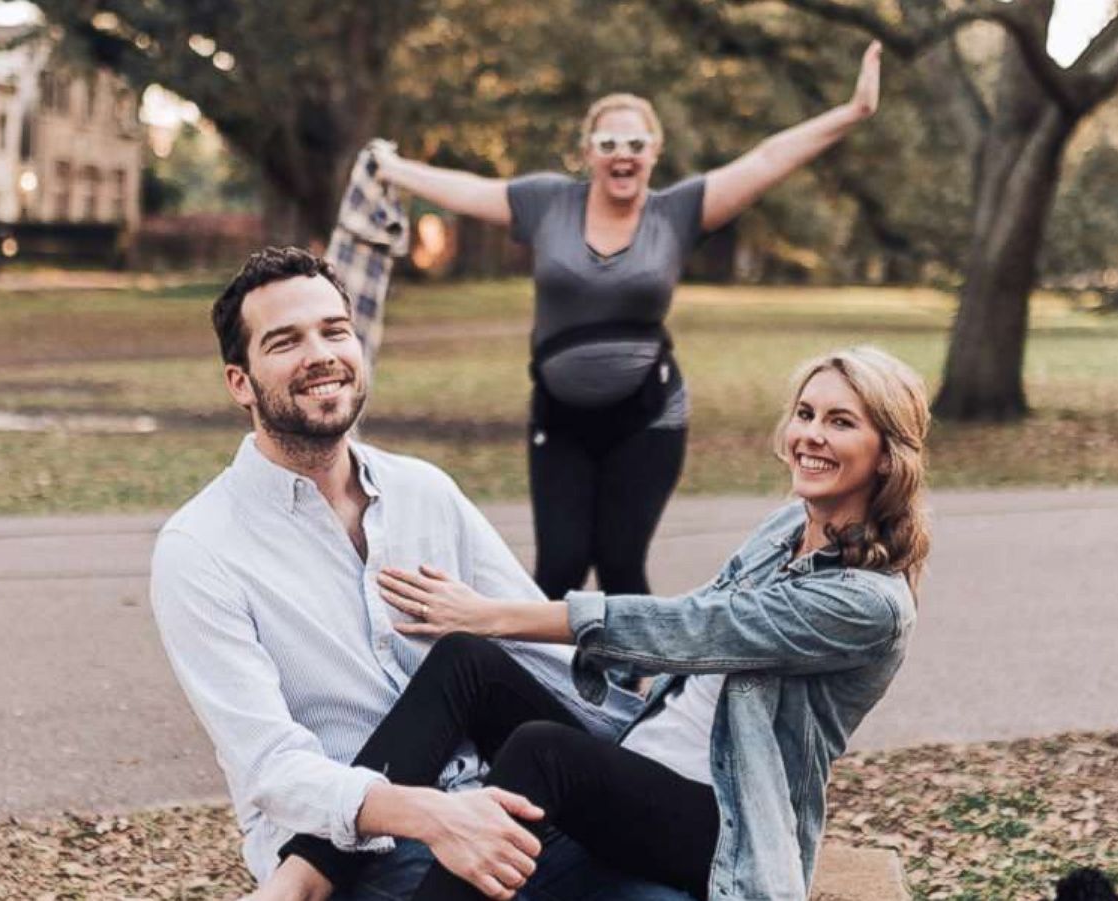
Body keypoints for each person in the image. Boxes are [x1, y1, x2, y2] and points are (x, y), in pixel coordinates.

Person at [259, 345, 931, 901]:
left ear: (887, 451)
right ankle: (308, 872)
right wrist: (494, 636)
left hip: (721, 825)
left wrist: (499, 614)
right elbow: (700, 644)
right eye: (806, 413)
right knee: (467, 659)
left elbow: (700, 626)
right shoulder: (791, 525)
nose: (811, 435)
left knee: (542, 749)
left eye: (841, 422)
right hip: (642, 764)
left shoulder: (869, 603)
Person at [148, 246, 693, 901]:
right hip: (362, 855)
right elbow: (272, 767)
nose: (320, 354)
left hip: (504, 808)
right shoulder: (201, 548)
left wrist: (662, 729)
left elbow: (534, 658)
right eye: (286, 340)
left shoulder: (424, 492)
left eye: (335, 330)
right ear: (240, 381)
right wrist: (432, 815)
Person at [371, 43, 885, 601]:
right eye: (609, 143)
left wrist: (853, 111)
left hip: (649, 419)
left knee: (620, 564)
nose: (623, 155)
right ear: (588, 152)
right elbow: (470, 191)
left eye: (636, 144)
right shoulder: (548, 203)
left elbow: (764, 160)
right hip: (559, 418)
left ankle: (634, 689)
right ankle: (542, 685)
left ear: (654, 151)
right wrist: (394, 169)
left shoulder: (677, 212)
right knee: (560, 567)